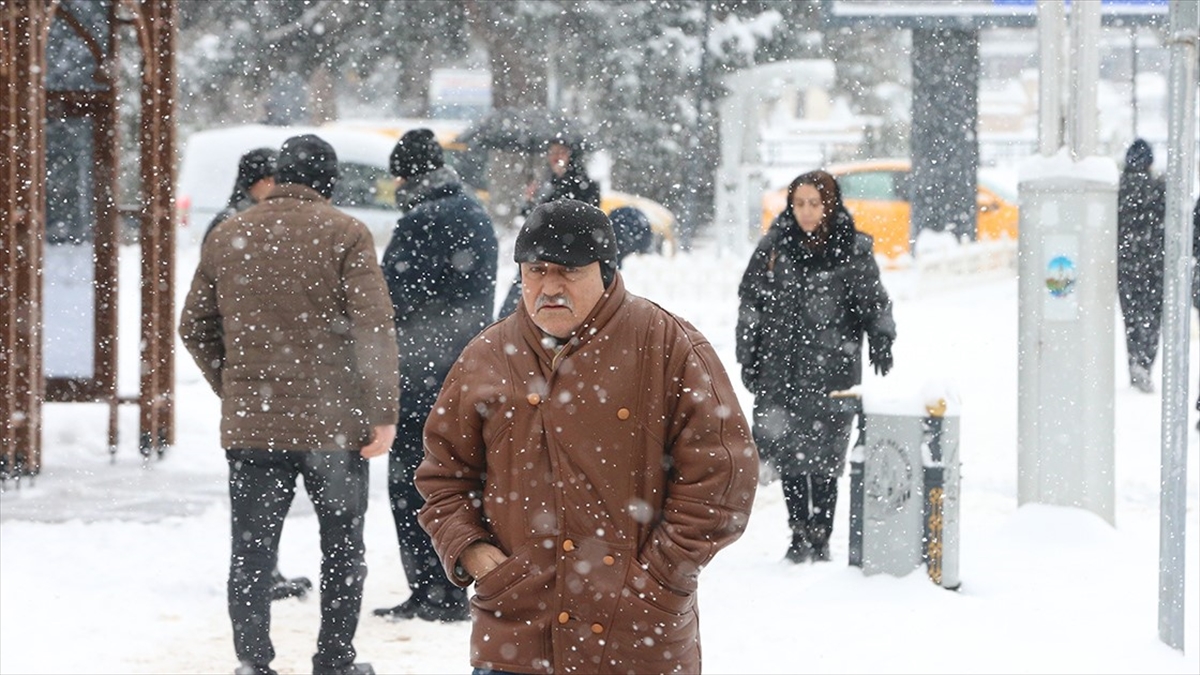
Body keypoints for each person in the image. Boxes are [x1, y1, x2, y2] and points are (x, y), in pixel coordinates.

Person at [415, 199, 758, 675]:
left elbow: (724, 476)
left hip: (637, 635)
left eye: (568, 271)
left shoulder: (666, 344)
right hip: (516, 634)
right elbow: (443, 476)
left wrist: (658, 576)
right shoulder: (487, 355)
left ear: (606, 270)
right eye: (536, 270)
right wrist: (474, 552)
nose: (549, 287)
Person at [179, 134, 399, 675]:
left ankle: (253, 663)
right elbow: (374, 326)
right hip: (333, 424)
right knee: (342, 549)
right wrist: (383, 411)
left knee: (251, 553)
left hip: (254, 425)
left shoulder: (231, 233)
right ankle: (334, 661)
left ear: (278, 176)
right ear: (329, 180)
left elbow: (193, 327)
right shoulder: (347, 233)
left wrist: (233, 385)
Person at [736, 169, 896, 564]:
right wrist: (748, 354)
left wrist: (881, 336)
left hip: (832, 370)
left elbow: (873, 301)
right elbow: (750, 304)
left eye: (814, 203)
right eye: (799, 204)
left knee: (826, 455)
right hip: (782, 367)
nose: (806, 212)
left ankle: (820, 536)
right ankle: (798, 532)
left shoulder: (852, 249)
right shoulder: (774, 248)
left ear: (829, 204)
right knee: (790, 454)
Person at [372, 128, 498, 623]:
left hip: (420, 375)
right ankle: (452, 581)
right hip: (468, 370)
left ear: (406, 174)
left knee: (411, 485)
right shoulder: (475, 214)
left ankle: (430, 590)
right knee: (456, 483)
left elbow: (391, 301)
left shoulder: (420, 222)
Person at [200, 145, 311, 603]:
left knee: (259, 487)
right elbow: (207, 316)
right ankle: (257, 579)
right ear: (259, 182)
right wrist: (229, 375)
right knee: (257, 490)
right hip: (254, 376)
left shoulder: (234, 222)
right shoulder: (236, 227)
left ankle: (263, 573)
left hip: (255, 375)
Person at [497, 137, 603, 317]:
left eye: (561, 152)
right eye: (552, 152)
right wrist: (529, 200)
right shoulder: (546, 183)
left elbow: (586, 219)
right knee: (518, 302)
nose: (555, 157)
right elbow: (530, 219)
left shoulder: (584, 184)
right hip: (539, 253)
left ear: (571, 155)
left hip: (568, 257)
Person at [1116, 138, 1166, 394]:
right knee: (1152, 320)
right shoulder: (1160, 188)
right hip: (1155, 267)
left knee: (1132, 319)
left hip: (1125, 266)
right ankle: (1145, 363)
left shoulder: (1118, 189)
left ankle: (1134, 360)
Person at [203, 147, 277, 244]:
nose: (274, 185)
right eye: (269, 180)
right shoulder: (226, 222)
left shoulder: (278, 217)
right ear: (252, 183)